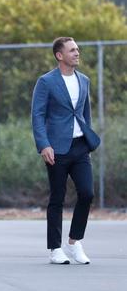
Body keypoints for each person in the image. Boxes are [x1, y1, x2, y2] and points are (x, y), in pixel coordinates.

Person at [31, 37, 100, 265]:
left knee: (87, 193)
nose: (77, 53)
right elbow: (38, 115)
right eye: (72, 50)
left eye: (77, 49)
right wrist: (44, 145)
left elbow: (85, 114)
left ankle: (74, 242)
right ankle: (55, 249)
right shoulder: (46, 82)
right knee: (57, 198)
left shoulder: (84, 80)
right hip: (56, 149)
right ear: (60, 55)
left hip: (80, 147)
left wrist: (88, 141)